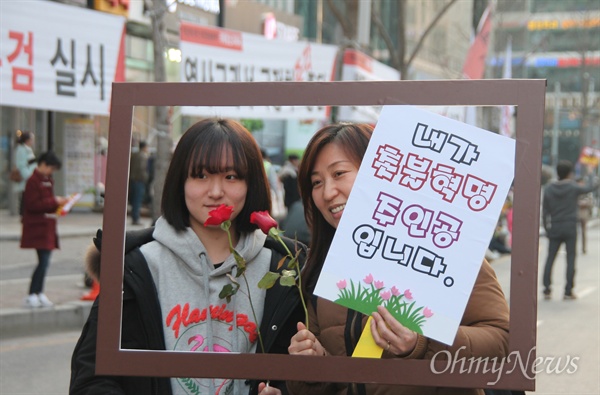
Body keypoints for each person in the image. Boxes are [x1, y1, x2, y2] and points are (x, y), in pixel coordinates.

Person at [70, 118, 306, 395]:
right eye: (201, 176)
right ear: (179, 181)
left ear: (251, 183)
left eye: (231, 177)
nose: (216, 192)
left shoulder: (284, 268)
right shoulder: (137, 267)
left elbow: (305, 378)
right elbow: (92, 379)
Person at [287, 123, 510, 395]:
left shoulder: (444, 250)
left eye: (339, 173)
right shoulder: (323, 268)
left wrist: (420, 343)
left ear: (381, 171)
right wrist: (313, 364)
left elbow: (503, 342)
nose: (328, 192)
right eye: (316, 182)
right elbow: (332, 382)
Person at [542, 160, 599, 300]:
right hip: (569, 227)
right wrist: (592, 174)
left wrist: (547, 229)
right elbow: (590, 188)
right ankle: (568, 291)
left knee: (550, 258)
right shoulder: (573, 187)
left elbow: (544, 212)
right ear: (569, 173)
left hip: (554, 226)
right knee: (571, 259)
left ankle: (547, 289)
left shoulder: (549, 188)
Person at [21, 151, 67, 307]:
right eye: (51, 168)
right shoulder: (32, 181)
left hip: (47, 226)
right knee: (43, 262)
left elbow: (46, 203)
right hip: (37, 227)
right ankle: (32, 293)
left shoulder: (47, 180)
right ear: (43, 164)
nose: (51, 172)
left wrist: (59, 204)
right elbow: (33, 205)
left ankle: (39, 292)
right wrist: (54, 201)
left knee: (45, 262)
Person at [13, 131, 37, 216]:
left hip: (29, 176)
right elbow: (22, 165)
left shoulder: (27, 149)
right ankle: (23, 214)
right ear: (27, 140)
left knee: (26, 196)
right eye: (32, 139)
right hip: (26, 177)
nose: (33, 141)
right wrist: (29, 176)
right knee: (25, 196)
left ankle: (25, 213)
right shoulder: (22, 150)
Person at [129, 140, 150, 225]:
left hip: (133, 180)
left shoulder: (134, 155)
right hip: (139, 181)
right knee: (137, 200)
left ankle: (134, 217)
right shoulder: (143, 156)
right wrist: (146, 179)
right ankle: (136, 218)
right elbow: (142, 169)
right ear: (144, 147)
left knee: (134, 200)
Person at [576, 176, 594, 255]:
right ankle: (574, 248)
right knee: (574, 233)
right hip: (575, 214)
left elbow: (590, 203)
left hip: (584, 214)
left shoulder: (586, 192)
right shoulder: (575, 191)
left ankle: (583, 248)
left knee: (583, 232)